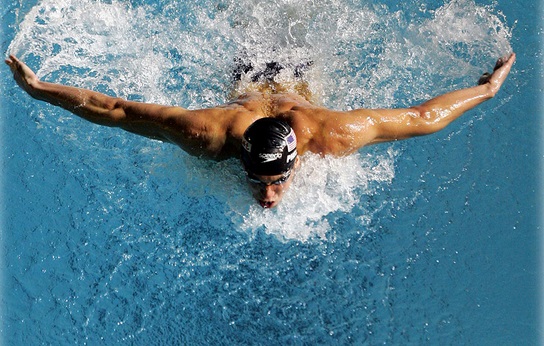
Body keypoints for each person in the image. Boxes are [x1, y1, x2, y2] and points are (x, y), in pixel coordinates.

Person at [5, 53, 515, 208]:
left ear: (298, 158)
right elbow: (114, 108)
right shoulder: (208, 135)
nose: (268, 197)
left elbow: (424, 118)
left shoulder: (333, 135)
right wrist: (38, 87)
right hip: (246, 70)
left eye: (273, 182)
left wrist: (487, 90)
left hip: (300, 71)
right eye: (258, 182)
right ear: (239, 156)